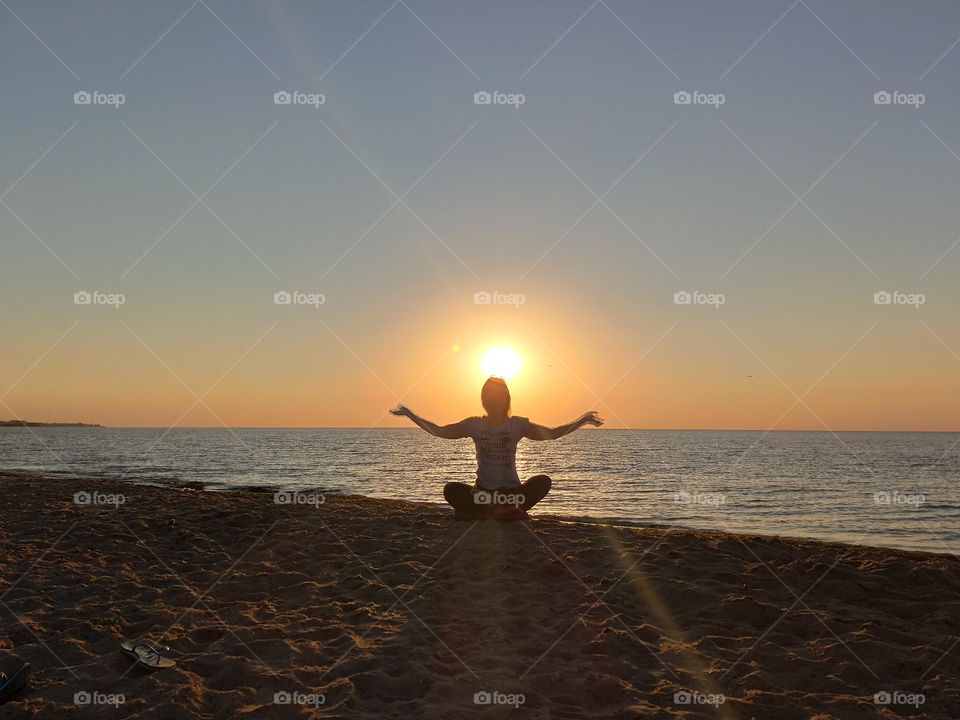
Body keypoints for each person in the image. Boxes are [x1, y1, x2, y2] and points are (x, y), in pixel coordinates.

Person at [390, 376, 603, 521]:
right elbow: (439, 431)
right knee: (451, 490)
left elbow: (553, 433)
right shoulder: (474, 424)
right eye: (489, 395)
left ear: (506, 399)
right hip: (483, 493)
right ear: (484, 399)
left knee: (542, 482)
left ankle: (489, 512)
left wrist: (582, 420)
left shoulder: (517, 425)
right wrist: (411, 414)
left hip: (512, 494)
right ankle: (502, 513)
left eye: (498, 396)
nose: (493, 400)